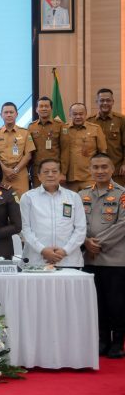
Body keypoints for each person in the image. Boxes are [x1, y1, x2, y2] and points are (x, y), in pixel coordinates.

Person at [80, 153, 125, 357]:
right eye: (96, 167)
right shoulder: (81, 195)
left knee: (116, 303)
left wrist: (96, 243)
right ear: (90, 170)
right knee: (96, 303)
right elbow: (75, 223)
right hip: (89, 258)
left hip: (115, 259)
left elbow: (122, 225)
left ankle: (117, 342)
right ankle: (102, 340)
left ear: (112, 169)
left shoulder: (121, 194)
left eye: (104, 167)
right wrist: (85, 242)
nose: (100, 171)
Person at [20, 159, 86, 267]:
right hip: (36, 261)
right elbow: (25, 229)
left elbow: (80, 229)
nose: (50, 175)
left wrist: (64, 251)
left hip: (69, 260)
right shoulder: (28, 197)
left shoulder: (73, 197)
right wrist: (42, 250)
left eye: (54, 171)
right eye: (46, 172)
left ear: (60, 175)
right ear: (39, 176)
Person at [0, 102, 35, 197]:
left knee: (22, 202)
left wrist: (15, 170)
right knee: (1, 201)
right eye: (6, 112)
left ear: (16, 114)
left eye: (11, 112)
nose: (9, 115)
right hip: (2, 174)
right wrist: (6, 170)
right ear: (1, 115)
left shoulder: (25, 133)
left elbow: (28, 155)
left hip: (20, 174)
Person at [60, 103, 107, 192]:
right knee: (69, 201)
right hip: (69, 178)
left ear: (86, 114)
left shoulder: (95, 129)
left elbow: (103, 153)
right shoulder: (63, 129)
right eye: (75, 114)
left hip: (89, 177)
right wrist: (62, 173)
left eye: (81, 114)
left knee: (90, 200)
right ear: (70, 115)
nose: (78, 117)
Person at [87, 88, 125, 187]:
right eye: (102, 100)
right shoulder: (89, 121)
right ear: (97, 102)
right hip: (95, 170)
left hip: (117, 170)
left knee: (118, 195)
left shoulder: (121, 120)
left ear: (113, 102)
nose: (105, 103)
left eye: (108, 100)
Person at [28, 97, 65, 187]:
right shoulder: (31, 127)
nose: (44, 108)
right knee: (38, 194)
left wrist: (63, 172)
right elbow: (29, 151)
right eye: (41, 106)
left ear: (51, 109)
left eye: (46, 106)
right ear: (36, 109)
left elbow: (65, 149)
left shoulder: (60, 125)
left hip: (55, 170)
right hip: (37, 171)